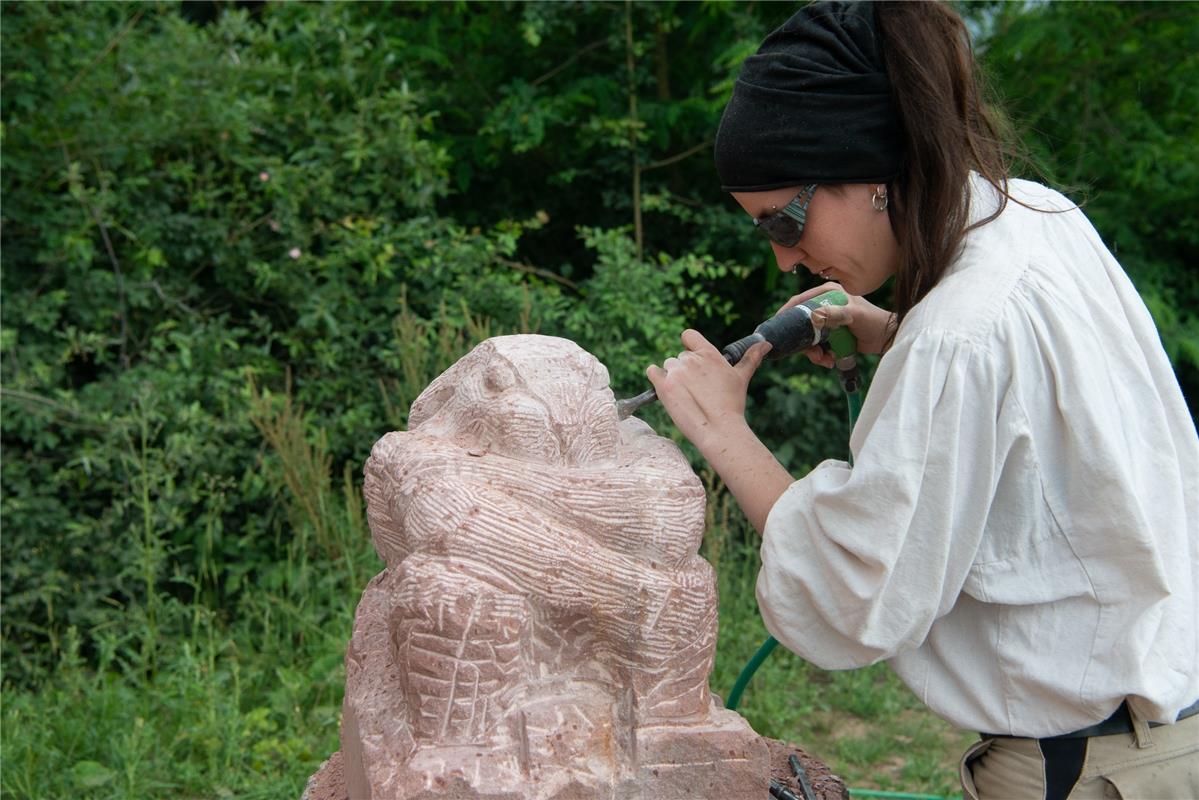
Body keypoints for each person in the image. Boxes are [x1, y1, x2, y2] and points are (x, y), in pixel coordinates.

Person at [644, 3, 1199, 799]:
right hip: (1161, 740)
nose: (783, 259)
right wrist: (892, 329)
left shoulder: (958, 336)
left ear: (873, 173)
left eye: (787, 219)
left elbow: (859, 594)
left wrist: (722, 431)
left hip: (1092, 774)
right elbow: (1031, 393)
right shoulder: (1042, 220)